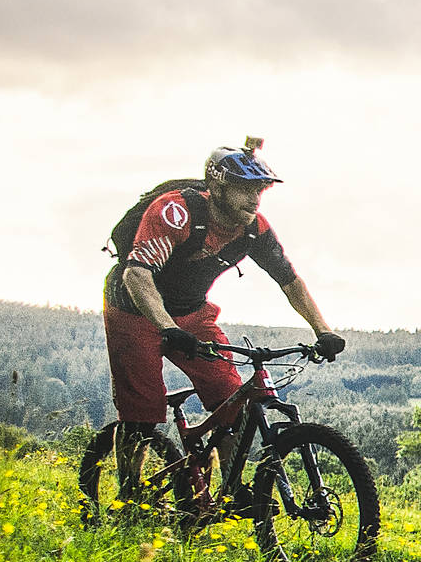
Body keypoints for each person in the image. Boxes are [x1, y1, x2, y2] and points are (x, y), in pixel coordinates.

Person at [103, 139, 343, 432]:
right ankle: (131, 478)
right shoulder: (176, 212)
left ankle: (230, 479)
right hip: (132, 311)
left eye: (259, 190)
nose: (255, 199)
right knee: (141, 418)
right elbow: (136, 276)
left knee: (232, 405)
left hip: (190, 312)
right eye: (245, 188)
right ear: (217, 187)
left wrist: (323, 330)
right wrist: (168, 328)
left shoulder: (254, 229)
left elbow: (290, 282)